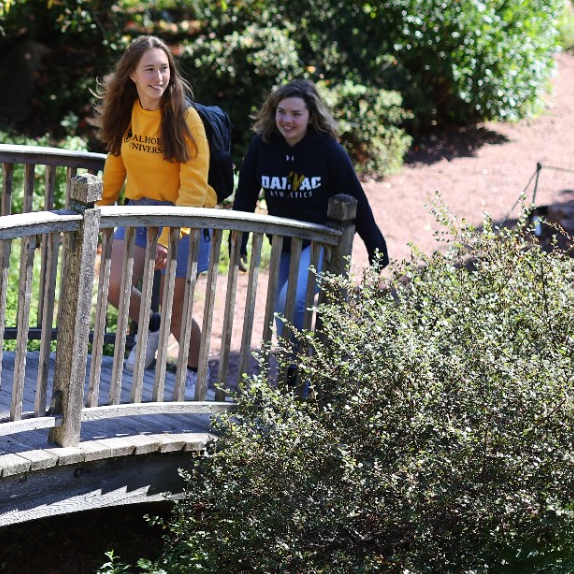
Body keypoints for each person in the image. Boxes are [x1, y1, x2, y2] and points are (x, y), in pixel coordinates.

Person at [232, 79, 388, 351]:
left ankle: (303, 376)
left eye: (296, 114)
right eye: (281, 112)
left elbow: (358, 200)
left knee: (291, 301)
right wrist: (239, 242)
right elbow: (245, 195)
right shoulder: (262, 145)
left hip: (321, 243)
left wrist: (376, 247)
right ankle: (297, 375)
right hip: (283, 245)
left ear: (311, 116)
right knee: (281, 314)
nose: (287, 120)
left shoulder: (328, 151)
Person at [96, 35, 216, 386]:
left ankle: (197, 376)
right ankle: (151, 325)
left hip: (184, 215)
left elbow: (194, 186)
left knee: (177, 313)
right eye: (149, 69)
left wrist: (168, 235)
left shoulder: (185, 118)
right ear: (131, 74)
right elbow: (115, 168)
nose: (158, 77)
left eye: (163, 69)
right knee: (113, 286)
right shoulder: (125, 114)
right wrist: (100, 215)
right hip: (138, 211)